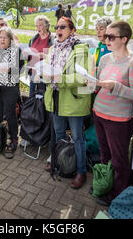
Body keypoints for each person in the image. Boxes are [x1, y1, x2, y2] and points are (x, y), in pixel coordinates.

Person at [90, 21, 133, 206]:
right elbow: (99, 83)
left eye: (111, 37)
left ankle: (117, 194)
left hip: (119, 119)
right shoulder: (105, 58)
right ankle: (105, 184)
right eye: (106, 36)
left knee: (119, 160)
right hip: (99, 112)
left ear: (124, 39)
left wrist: (117, 87)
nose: (107, 40)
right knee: (104, 155)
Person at [44, 16, 92, 189]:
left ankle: (80, 171)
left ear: (72, 30)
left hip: (73, 99)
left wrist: (59, 78)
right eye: (57, 27)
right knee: (58, 134)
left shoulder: (81, 49)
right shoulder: (53, 48)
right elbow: (46, 70)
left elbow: (82, 76)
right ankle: (60, 163)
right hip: (56, 97)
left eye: (63, 27)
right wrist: (43, 74)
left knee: (78, 137)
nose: (58, 30)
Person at [0, 26, 24, 159]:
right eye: (0, 37)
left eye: (5, 37)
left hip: (10, 87)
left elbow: (21, 69)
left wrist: (10, 71)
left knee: (9, 113)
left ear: (10, 39)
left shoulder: (16, 50)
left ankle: (14, 139)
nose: (2, 39)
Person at [27, 15, 55, 97]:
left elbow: (56, 57)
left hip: (45, 75)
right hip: (33, 73)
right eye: (36, 26)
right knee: (32, 99)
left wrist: (43, 55)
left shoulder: (53, 40)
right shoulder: (33, 39)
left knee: (44, 100)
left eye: (40, 25)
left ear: (46, 26)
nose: (38, 28)